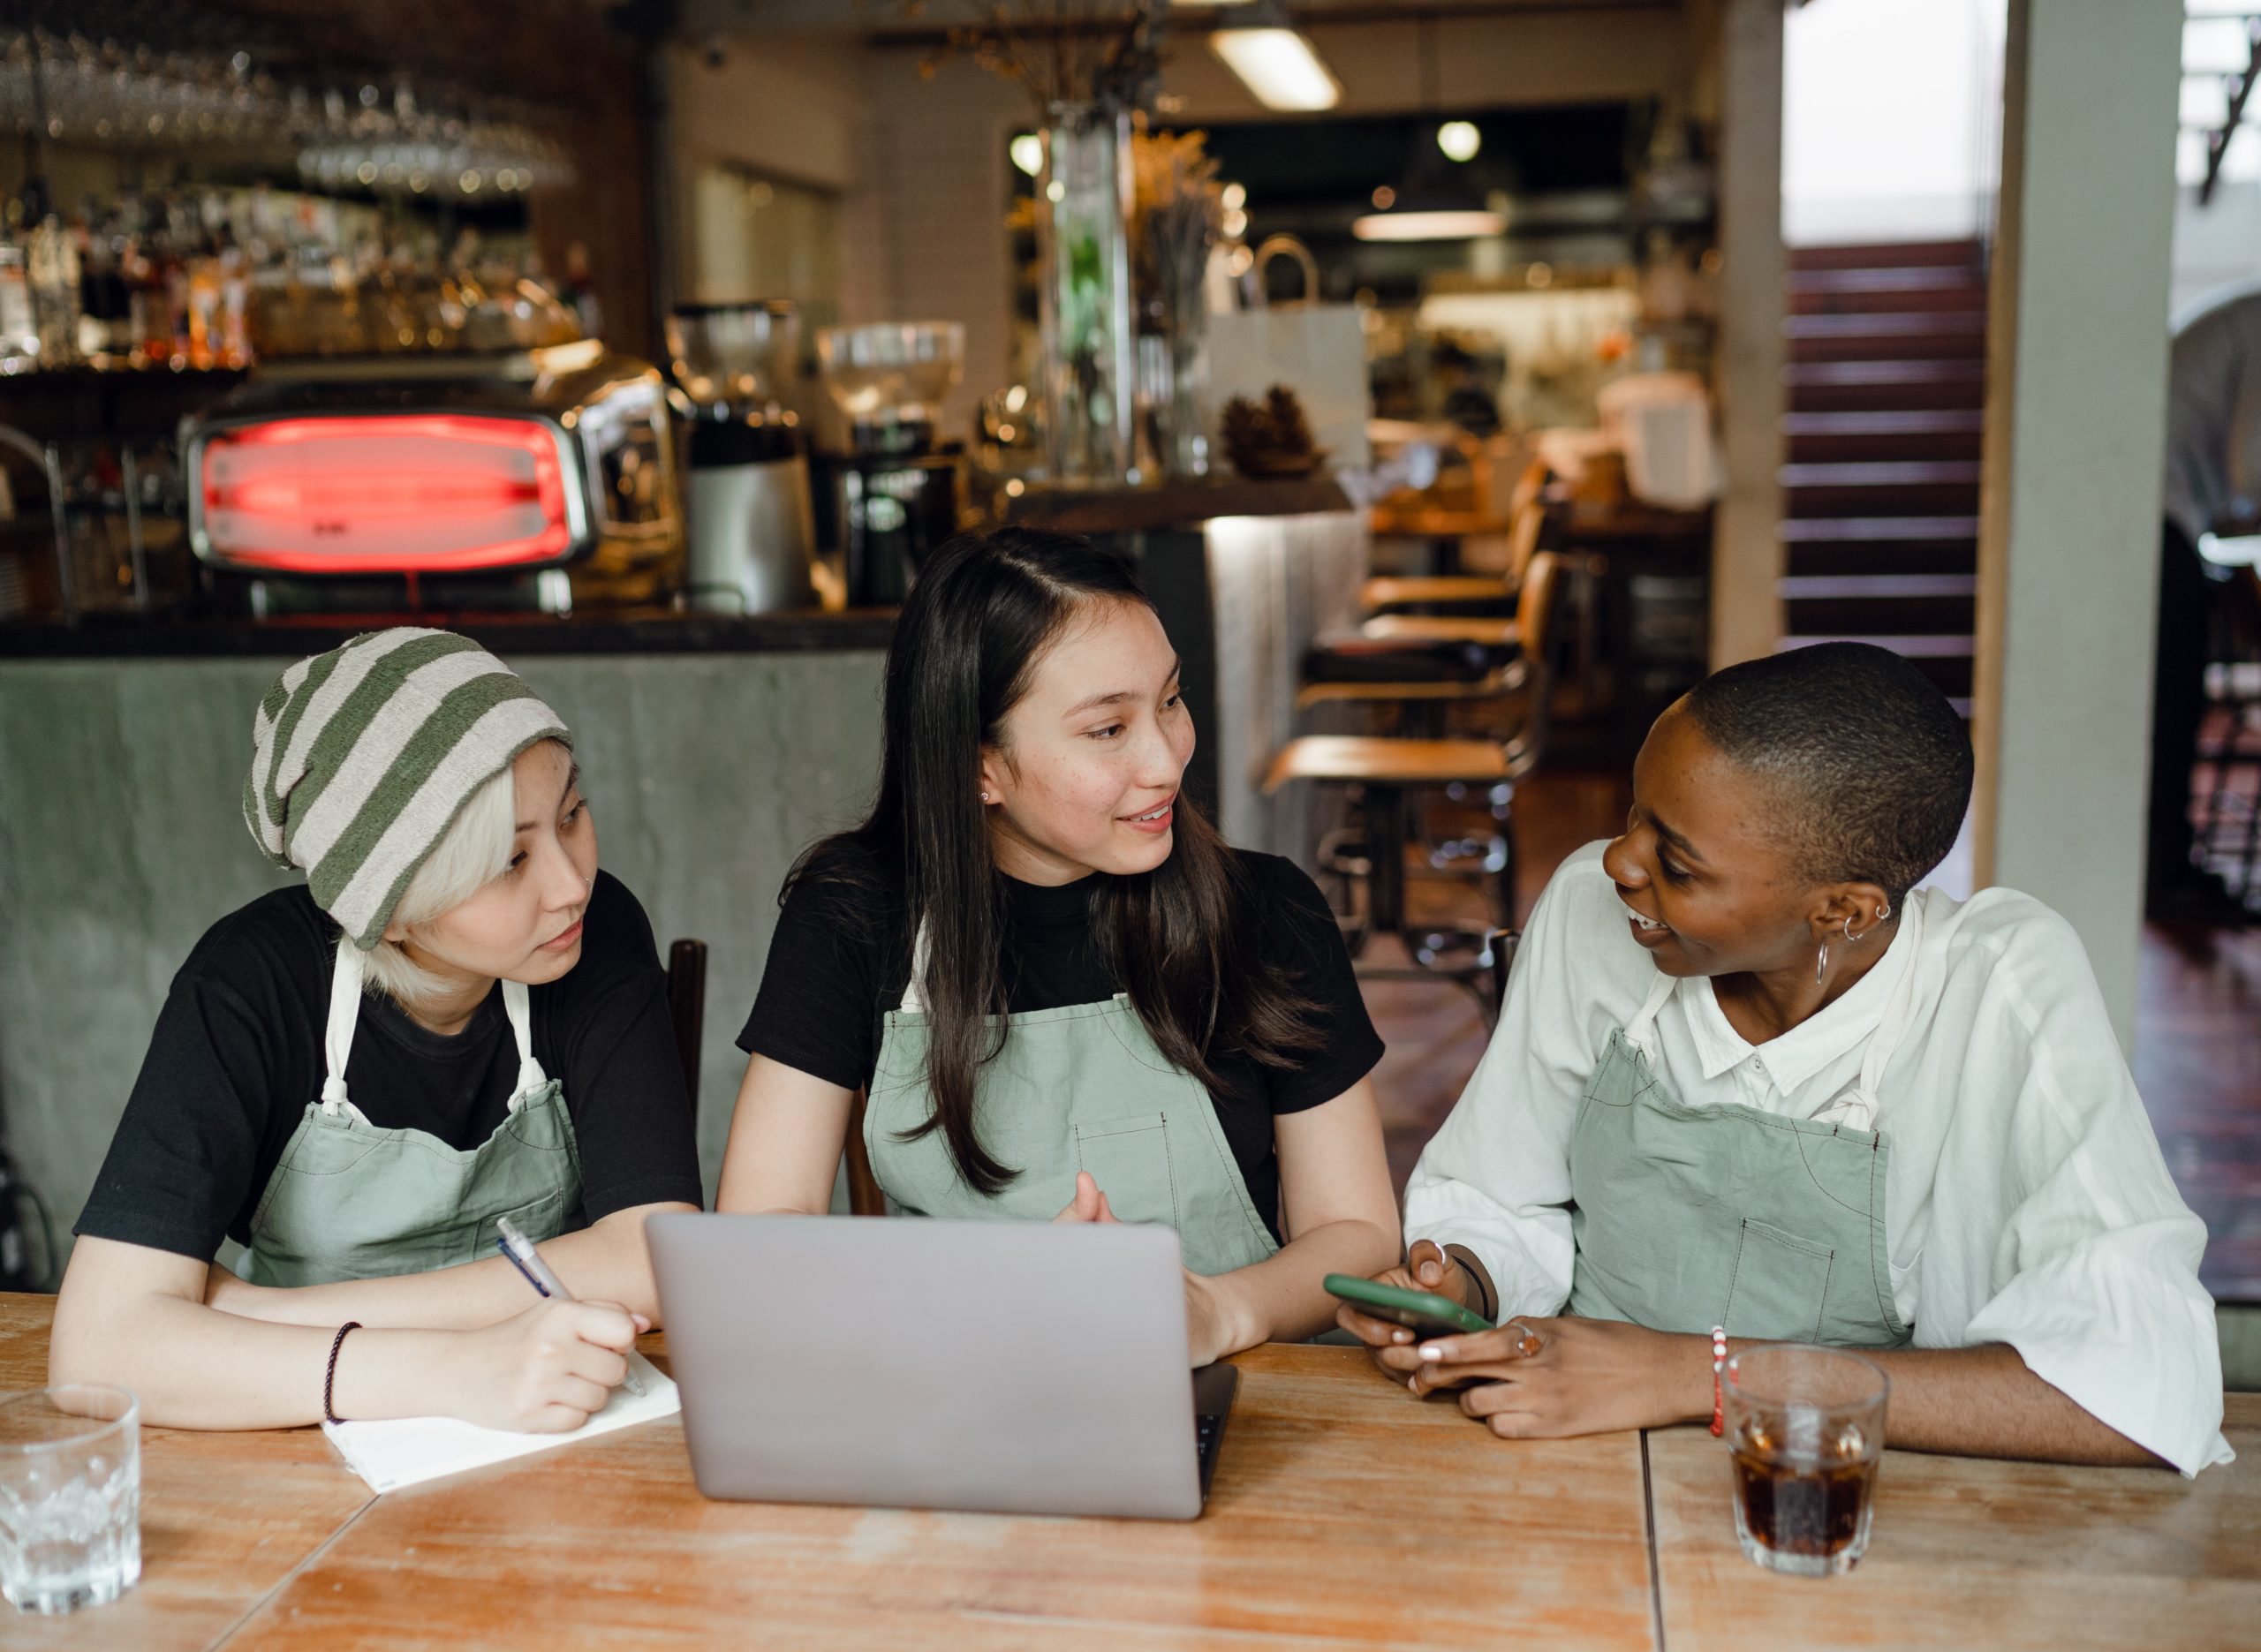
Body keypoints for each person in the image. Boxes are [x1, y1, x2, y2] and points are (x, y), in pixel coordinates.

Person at [1338, 642, 2230, 1476]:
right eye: (1634, 815)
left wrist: (1695, 1376)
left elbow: (2144, 1385)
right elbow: (1501, 1188)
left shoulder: (1997, 985)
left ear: (1842, 910)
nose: (1617, 860)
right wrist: (1463, 1277)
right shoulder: (1592, 907)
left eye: (1678, 864)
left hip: (1841, 1481)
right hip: (1571, 1444)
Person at [717, 529, 1398, 1361]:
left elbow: (1357, 1230)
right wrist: (1000, 1291)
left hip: (1243, 1390)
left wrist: (1217, 1312)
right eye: (1108, 730)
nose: (1166, 759)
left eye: (1171, 700)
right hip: (951, 1391)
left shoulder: (1267, 910)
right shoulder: (855, 915)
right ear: (981, 768)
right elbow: (759, 1229)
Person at [50, 629, 704, 1431]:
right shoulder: (251, 983)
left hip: (550, 1413)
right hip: (288, 1431)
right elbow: (95, 1351)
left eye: (572, 813)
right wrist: (457, 1369)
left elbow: (656, 1256)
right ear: (385, 912)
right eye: (510, 861)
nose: (572, 883)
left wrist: (269, 1315)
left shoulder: (594, 936)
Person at [2155, 287, 2259, 924]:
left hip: (2170, 516)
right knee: (2172, 711)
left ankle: (2168, 870)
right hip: (2157, 514)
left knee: (2173, 708)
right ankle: (2166, 876)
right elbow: (2252, 472)